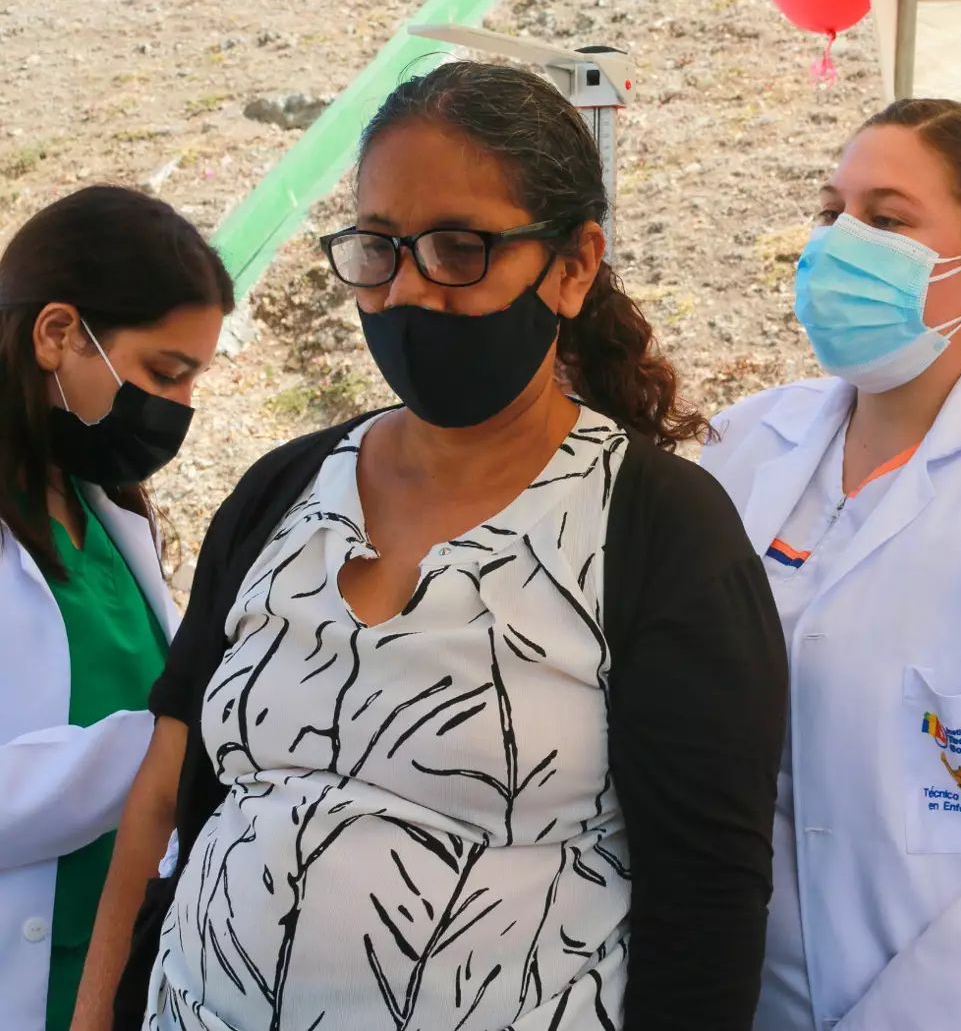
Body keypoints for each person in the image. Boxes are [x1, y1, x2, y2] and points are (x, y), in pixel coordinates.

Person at [83, 61, 788, 1031]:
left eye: (461, 248)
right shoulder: (281, 495)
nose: (410, 290)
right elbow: (165, 793)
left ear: (574, 265)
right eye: (379, 247)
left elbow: (706, 915)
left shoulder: (660, 534)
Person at [700, 98, 961, 1029]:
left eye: (887, 219)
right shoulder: (748, 443)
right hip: (724, 993)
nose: (837, 244)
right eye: (834, 211)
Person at [0, 185, 232, 1031]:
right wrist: (167, 745)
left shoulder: (104, 505)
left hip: (114, 979)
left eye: (192, 379)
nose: (174, 408)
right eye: (163, 373)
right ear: (58, 333)